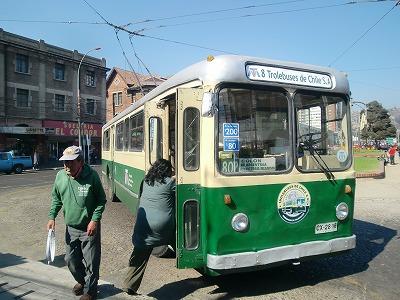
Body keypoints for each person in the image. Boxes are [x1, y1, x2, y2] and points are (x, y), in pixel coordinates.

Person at [46, 145, 106, 300]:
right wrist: (52, 216)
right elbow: (56, 198)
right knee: (70, 260)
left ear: (80, 161)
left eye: (71, 162)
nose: (67, 165)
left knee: (91, 261)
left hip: (89, 228)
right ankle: (81, 280)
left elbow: (101, 200)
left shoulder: (92, 176)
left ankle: (90, 291)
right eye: (65, 161)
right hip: (71, 227)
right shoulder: (60, 176)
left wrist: (94, 220)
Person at [124, 158, 175, 295]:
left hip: (143, 226)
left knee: (139, 256)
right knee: (180, 236)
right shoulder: (170, 183)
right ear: (167, 171)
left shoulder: (146, 181)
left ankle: (129, 285)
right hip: (164, 228)